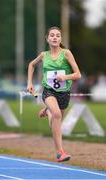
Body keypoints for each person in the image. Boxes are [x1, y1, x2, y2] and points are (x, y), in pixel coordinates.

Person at [27, 26, 81, 162]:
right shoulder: (44, 55)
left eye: (57, 35)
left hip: (64, 94)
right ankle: (60, 152)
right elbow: (31, 65)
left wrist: (65, 77)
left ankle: (47, 111)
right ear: (47, 38)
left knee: (54, 122)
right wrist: (29, 83)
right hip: (48, 91)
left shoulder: (66, 53)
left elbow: (78, 74)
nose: (55, 37)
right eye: (52, 35)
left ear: (60, 38)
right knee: (57, 114)